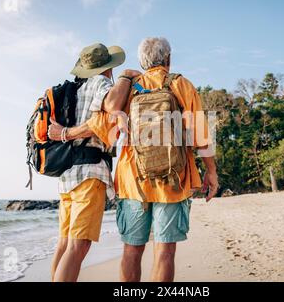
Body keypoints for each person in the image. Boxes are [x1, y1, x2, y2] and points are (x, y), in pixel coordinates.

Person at [87, 37, 219, 282]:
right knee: (165, 252)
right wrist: (211, 171)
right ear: (168, 59)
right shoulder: (182, 84)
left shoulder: (127, 88)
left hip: (132, 181)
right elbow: (201, 135)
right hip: (174, 181)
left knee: (131, 251)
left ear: (141, 62)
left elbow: (101, 129)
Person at [47, 43, 140, 282]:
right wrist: (126, 77)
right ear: (108, 67)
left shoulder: (76, 89)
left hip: (67, 175)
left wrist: (66, 133)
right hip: (90, 173)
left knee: (65, 244)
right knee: (78, 248)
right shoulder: (101, 83)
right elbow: (111, 104)